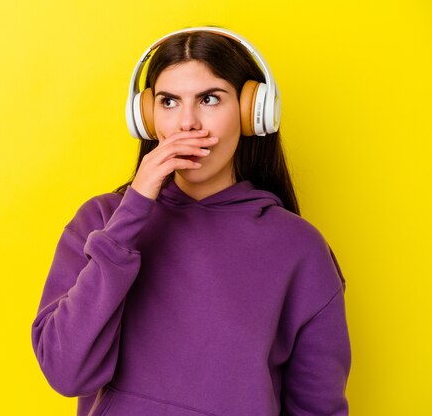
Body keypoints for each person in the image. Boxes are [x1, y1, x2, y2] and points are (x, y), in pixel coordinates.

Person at [31, 26, 352, 416]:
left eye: (209, 99)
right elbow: (66, 373)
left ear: (253, 112)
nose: (187, 123)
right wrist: (132, 212)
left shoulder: (299, 249)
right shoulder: (100, 223)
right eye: (168, 102)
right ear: (147, 118)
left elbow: (317, 408)